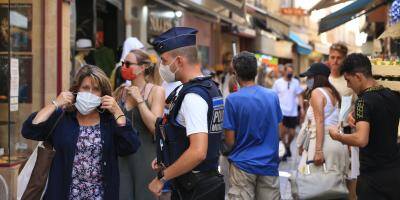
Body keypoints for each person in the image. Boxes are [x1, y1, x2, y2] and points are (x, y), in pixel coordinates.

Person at [21, 65, 141, 199]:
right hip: (62, 193)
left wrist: (118, 112)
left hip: (100, 195)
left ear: (103, 94)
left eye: (96, 89)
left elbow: (131, 146)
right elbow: (29, 130)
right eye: (85, 88)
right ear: (76, 89)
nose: (90, 93)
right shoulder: (62, 117)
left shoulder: (109, 120)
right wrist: (55, 103)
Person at [148, 27, 225, 200]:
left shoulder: (193, 96)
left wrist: (162, 178)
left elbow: (198, 152)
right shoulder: (209, 87)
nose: (162, 66)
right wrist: (168, 157)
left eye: (164, 60)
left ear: (179, 61)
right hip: (204, 183)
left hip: (195, 188)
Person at [329, 53, 400, 200]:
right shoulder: (391, 95)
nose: (348, 85)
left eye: (348, 80)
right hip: (394, 174)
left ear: (359, 77)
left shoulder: (363, 101)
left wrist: (337, 136)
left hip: (373, 178)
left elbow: (361, 139)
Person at [223, 51, 282, 200]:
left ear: (235, 74)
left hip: (242, 165)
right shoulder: (272, 96)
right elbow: (278, 129)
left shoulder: (232, 100)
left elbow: (230, 140)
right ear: (255, 72)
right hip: (269, 164)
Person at [114, 49, 165, 200]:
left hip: (146, 158)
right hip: (122, 158)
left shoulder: (156, 91)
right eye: (123, 63)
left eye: (128, 64)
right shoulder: (120, 92)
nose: (124, 67)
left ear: (143, 67)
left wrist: (140, 101)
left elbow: (155, 128)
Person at [298, 62, 349, 181]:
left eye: (310, 77)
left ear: (317, 77)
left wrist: (318, 150)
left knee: (315, 187)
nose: (307, 80)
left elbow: (320, 121)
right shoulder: (333, 93)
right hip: (337, 143)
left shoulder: (317, 92)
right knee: (332, 187)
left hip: (322, 143)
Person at [327, 42, 358, 200]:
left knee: (350, 174)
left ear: (344, 59)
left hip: (346, 133)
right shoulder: (323, 79)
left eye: (339, 58)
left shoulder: (350, 80)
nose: (335, 61)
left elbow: (357, 105)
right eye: (332, 57)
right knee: (329, 175)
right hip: (326, 134)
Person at [273, 66, 304, 160]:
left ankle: (287, 146)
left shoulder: (296, 82)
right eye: (288, 71)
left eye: (292, 71)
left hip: (293, 112)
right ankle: (284, 151)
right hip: (281, 111)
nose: (290, 73)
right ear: (284, 72)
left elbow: (299, 95)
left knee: (292, 133)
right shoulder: (278, 82)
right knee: (282, 132)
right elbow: (273, 96)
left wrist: (302, 108)